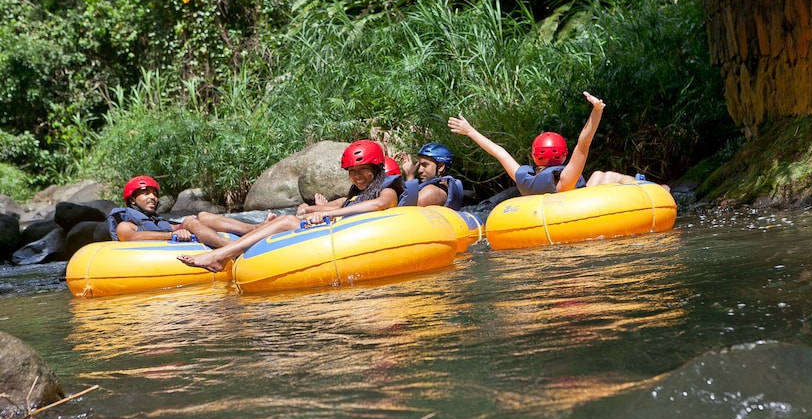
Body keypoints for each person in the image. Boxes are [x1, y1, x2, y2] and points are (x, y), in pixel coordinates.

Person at [177, 140, 403, 272]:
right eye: (352, 172)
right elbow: (341, 206)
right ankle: (225, 248)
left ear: (375, 169)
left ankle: (221, 255)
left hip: (349, 239)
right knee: (284, 221)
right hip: (333, 234)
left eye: (363, 170)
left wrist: (329, 214)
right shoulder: (357, 194)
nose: (357, 176)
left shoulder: (387, 188)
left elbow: (382, 204)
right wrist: (317, 211)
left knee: (286, 221)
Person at [448, 91, 646, 196]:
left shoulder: (524, 179)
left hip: (541, 212)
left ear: (535, 156)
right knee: (602, 175)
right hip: (574, 207)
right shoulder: (566, 179)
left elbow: (499, 152)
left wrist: (470, 131)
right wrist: (597, 110)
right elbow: (583, 144)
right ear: (563, 155)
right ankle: (648, 186)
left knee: (598, 176)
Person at [107, 175, 277, 247]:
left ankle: (258, 228)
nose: (152, 197)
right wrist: (174, 235)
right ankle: (232, 247)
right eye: (145, 194)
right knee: (188, 222)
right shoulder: (125, 224)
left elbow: (172, 228)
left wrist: (187, 225)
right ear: (131, 200)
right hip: (147, 257)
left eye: (154, 194)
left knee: (200, 216)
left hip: (170, 238)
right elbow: (133, 237)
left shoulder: (156, 221)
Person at [397, 143, 464, 210]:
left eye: (425, 165)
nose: (419, 170)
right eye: (420, 165)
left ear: (440, 167)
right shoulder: (445, 187)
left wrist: (410, 176)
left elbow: (406, 210)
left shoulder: (433, 192)